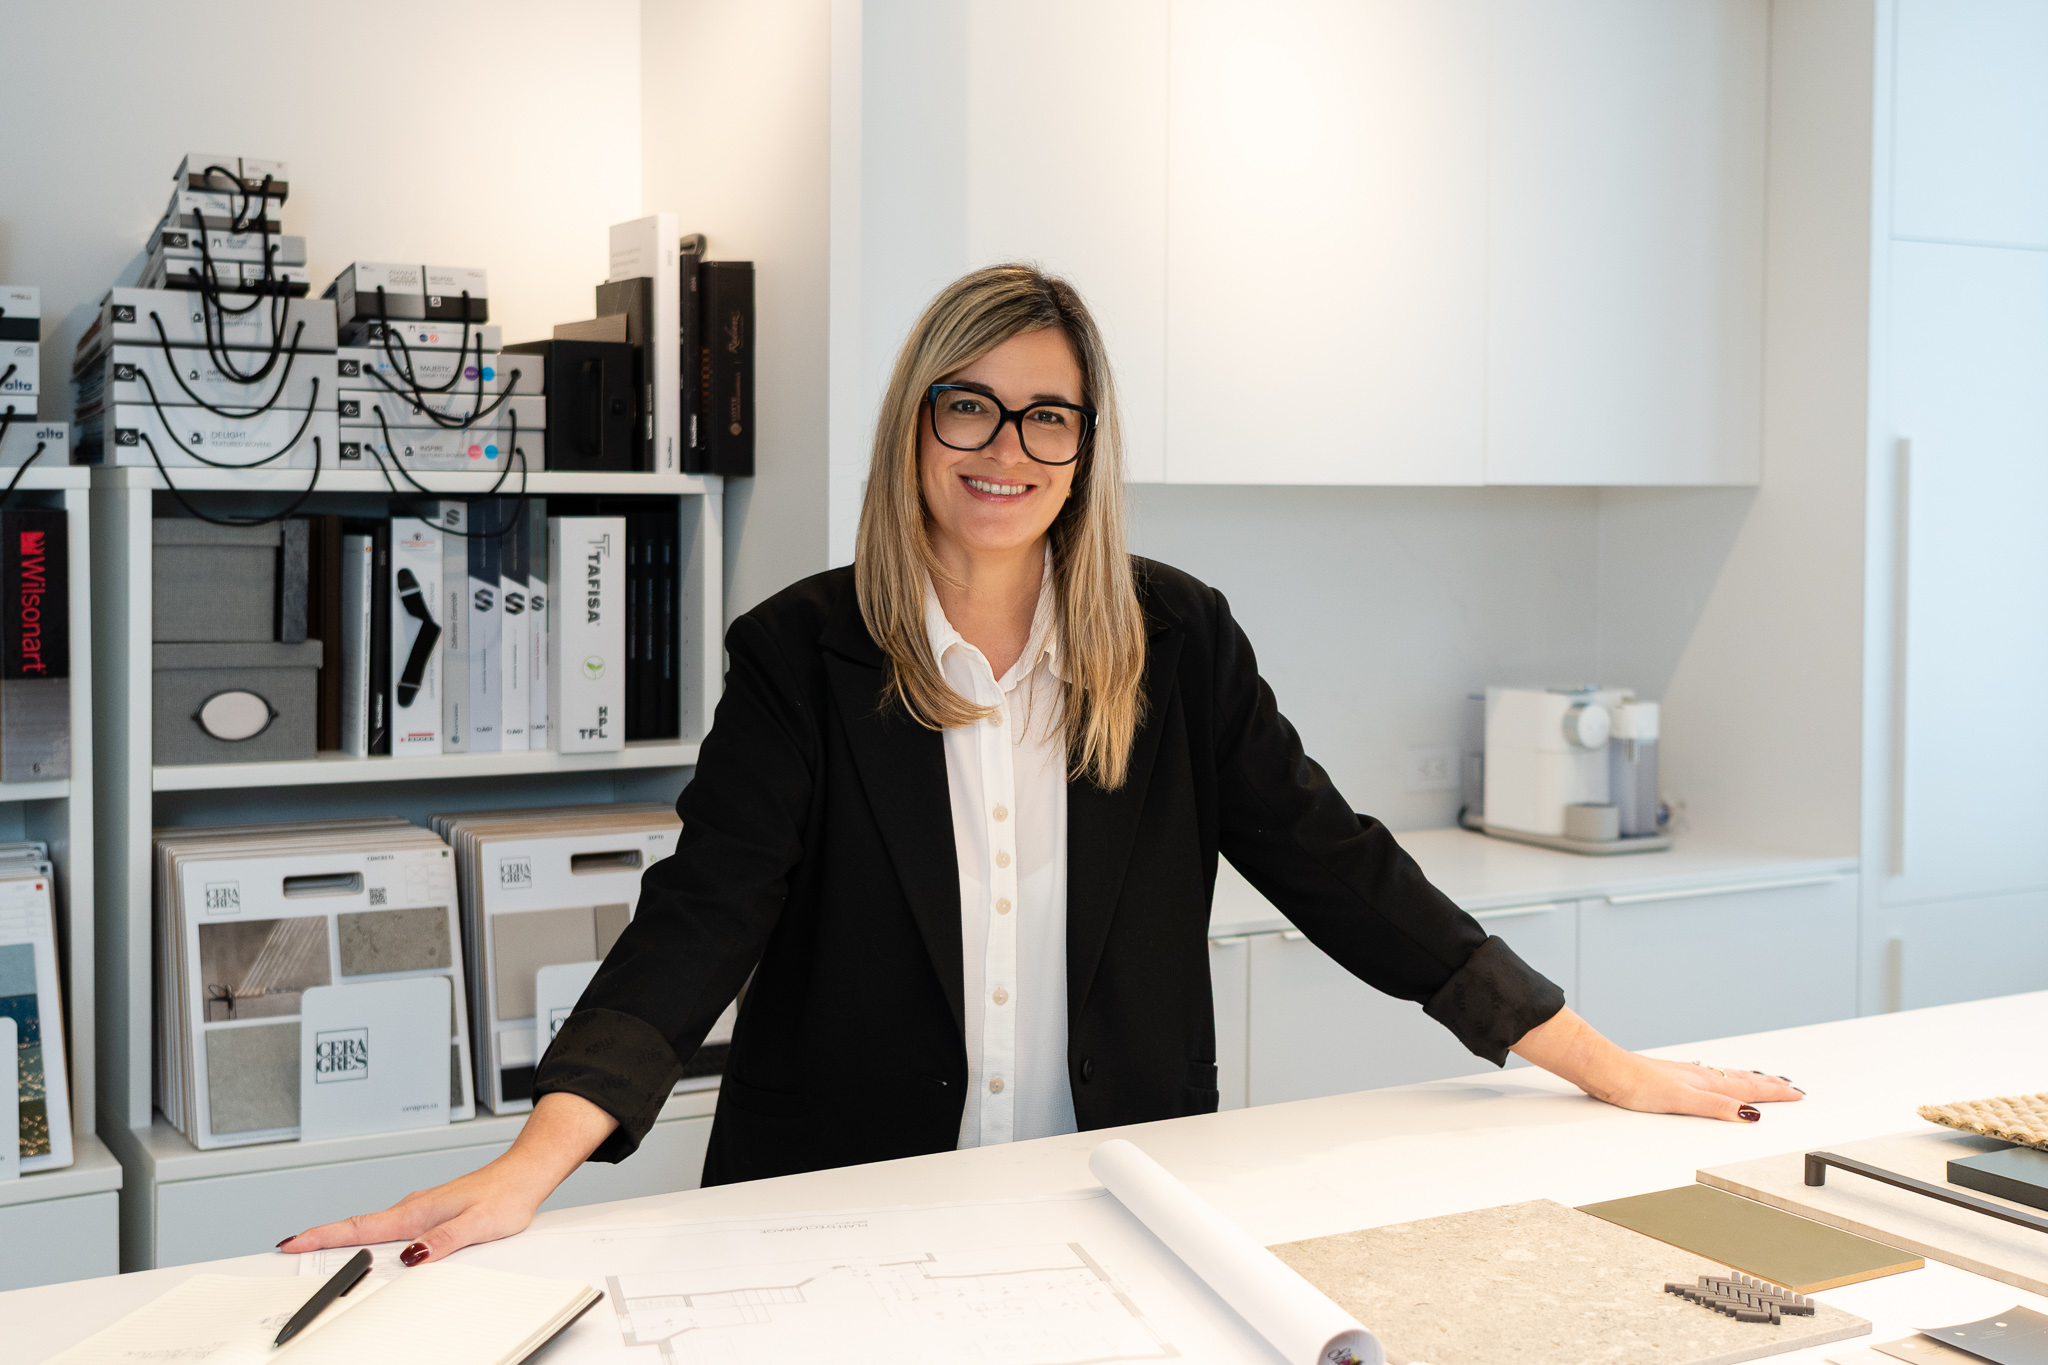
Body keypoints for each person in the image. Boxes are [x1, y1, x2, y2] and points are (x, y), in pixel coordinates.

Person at [282, 265, 1800, 1267]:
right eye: (971, 403)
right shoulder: (802, 655)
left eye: (1048, 413)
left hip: (1116, 1203)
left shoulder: (1176, 643)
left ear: (1086, 445)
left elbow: (1344, 873)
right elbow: (700, 920)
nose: (1006, 445)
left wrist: (1602, 1061)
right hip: (840, 1214)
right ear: (917, 425)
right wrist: (534, 1163)